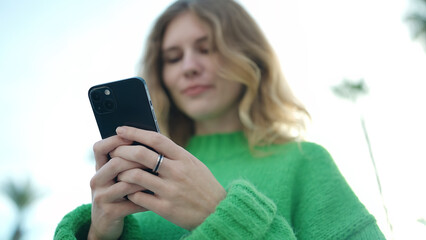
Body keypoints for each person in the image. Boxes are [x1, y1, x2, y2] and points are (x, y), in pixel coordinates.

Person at [55, 0, 386, 239]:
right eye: (173, 57)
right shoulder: (137, 177)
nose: (189, 66)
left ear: (247, 56)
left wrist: (221, 215)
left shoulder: (304, 163)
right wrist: (98, 235)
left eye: (208, 48)